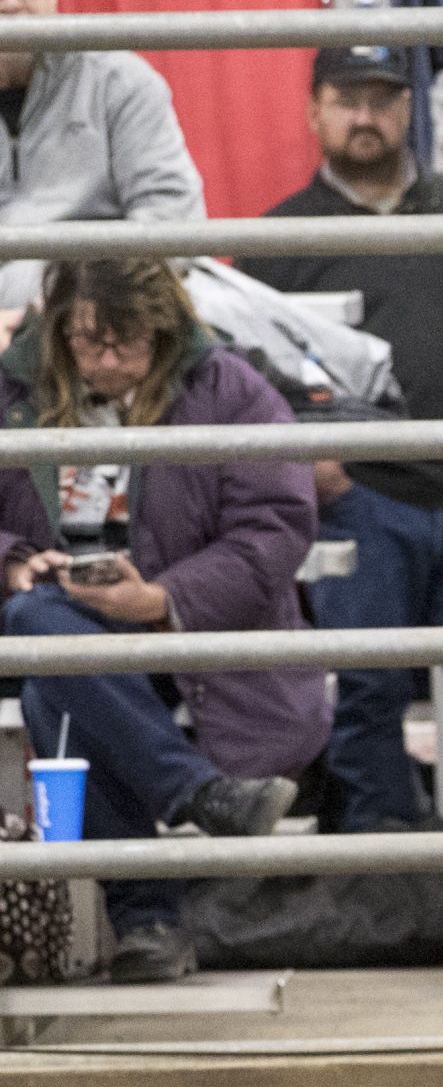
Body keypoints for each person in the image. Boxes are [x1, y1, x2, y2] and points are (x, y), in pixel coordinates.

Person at [236, 46, 443, 830]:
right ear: (314, 110)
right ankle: (380, 881)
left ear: (409, 107)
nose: (365, 116)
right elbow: (245, 376)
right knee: (366, 693)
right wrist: (302, 462)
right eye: (347, 99)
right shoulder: (279, 239)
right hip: (363, 501)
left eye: (382, 98)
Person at [0, 260, 325, 983]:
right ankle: (198, 797)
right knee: (41, 625)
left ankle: (149, 920)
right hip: (55, 613)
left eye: (130, 343)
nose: (110, 361)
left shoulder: (227, 390)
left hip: (186, 632)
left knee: (59, 689)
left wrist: (163, 599)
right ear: (59, 330)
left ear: (166, 330)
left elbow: (274, 527)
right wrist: (16, 560)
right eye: (90, 343)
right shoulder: (11, 390)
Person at [0, 0, 206, 313]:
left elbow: (173, 224)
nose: (8, 3)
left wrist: (65, 313)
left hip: (101, 322)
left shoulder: (119, 81)